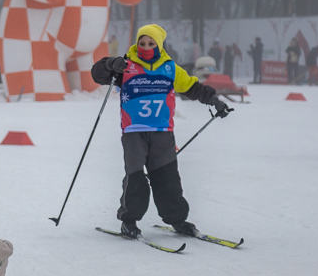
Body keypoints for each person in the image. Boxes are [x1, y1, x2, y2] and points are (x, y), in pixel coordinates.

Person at [90, 24, 231, 239]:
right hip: (134, 132)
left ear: (159, 45)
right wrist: (110, 64)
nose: (146, 47)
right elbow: (98, 75)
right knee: (135, 178)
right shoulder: (126, 66)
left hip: (162, 132)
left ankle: (177, 219)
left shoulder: (170, 68)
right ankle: (129, 220)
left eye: (151, 43)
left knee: (168, 179)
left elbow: (193, 87)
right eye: (142, 43)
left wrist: (214, 101)